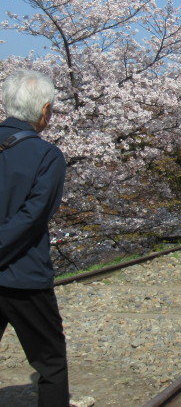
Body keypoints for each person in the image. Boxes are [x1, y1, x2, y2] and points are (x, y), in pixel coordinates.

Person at [0, 69, 70, 406]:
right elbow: (33, 216)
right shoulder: (46, 156)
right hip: (23, 275)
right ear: (44, 110)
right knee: (51, 362)